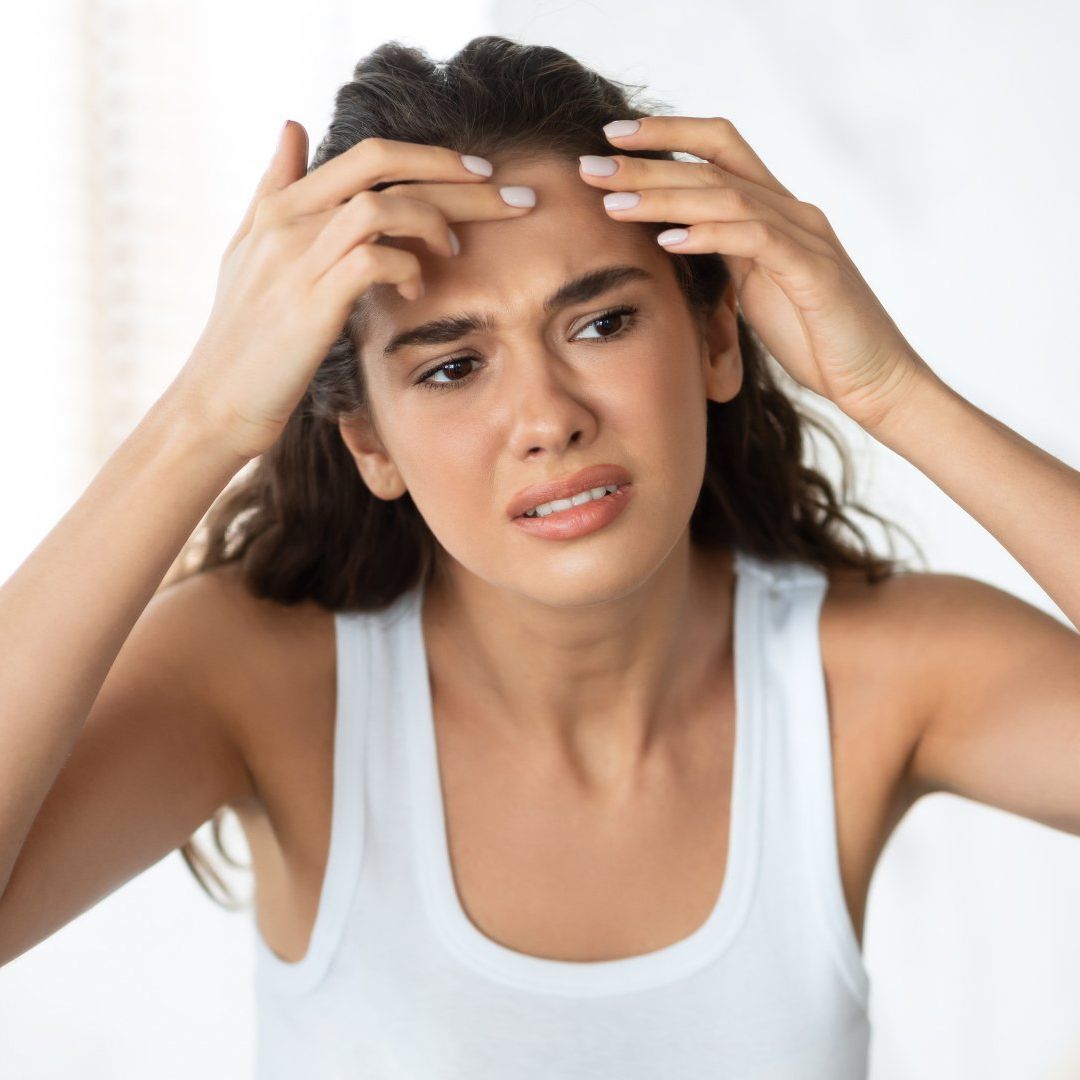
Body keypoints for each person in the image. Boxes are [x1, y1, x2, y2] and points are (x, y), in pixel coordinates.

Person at [1, 33, 1077, 1080]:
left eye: (602, 324)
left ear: (713, 338)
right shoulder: (265, 680)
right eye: (452, 365)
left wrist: (892, 391)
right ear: (367, 439)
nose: (546, 419)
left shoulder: (877, 675)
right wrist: (199, 420)